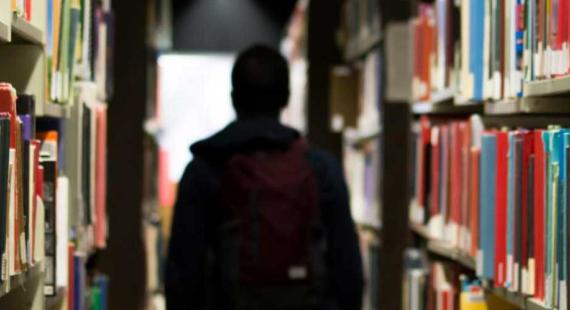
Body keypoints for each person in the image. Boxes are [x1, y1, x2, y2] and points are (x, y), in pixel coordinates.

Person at [165, 45, 363, 310]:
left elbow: (183, 274)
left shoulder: (204, 170)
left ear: (234, 98)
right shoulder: (321, 169)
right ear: (286, 98)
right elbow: (348, 271)